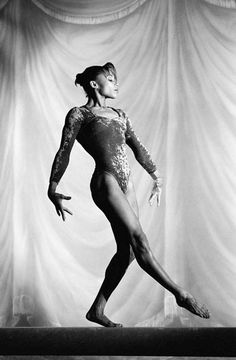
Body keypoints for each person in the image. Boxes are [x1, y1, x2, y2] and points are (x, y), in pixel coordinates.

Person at [48, 62, 210, 327]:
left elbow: (138, 148)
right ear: (94, 84)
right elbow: (64, 149)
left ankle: (97, 310)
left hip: (127, 183)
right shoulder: (79, 114)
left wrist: (156, 177)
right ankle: (181, 294)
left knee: (128, 253)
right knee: (139, 240)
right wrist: (52, 187)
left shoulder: (121, 114)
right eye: (110, 79)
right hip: (106, 181)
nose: (116, 84)